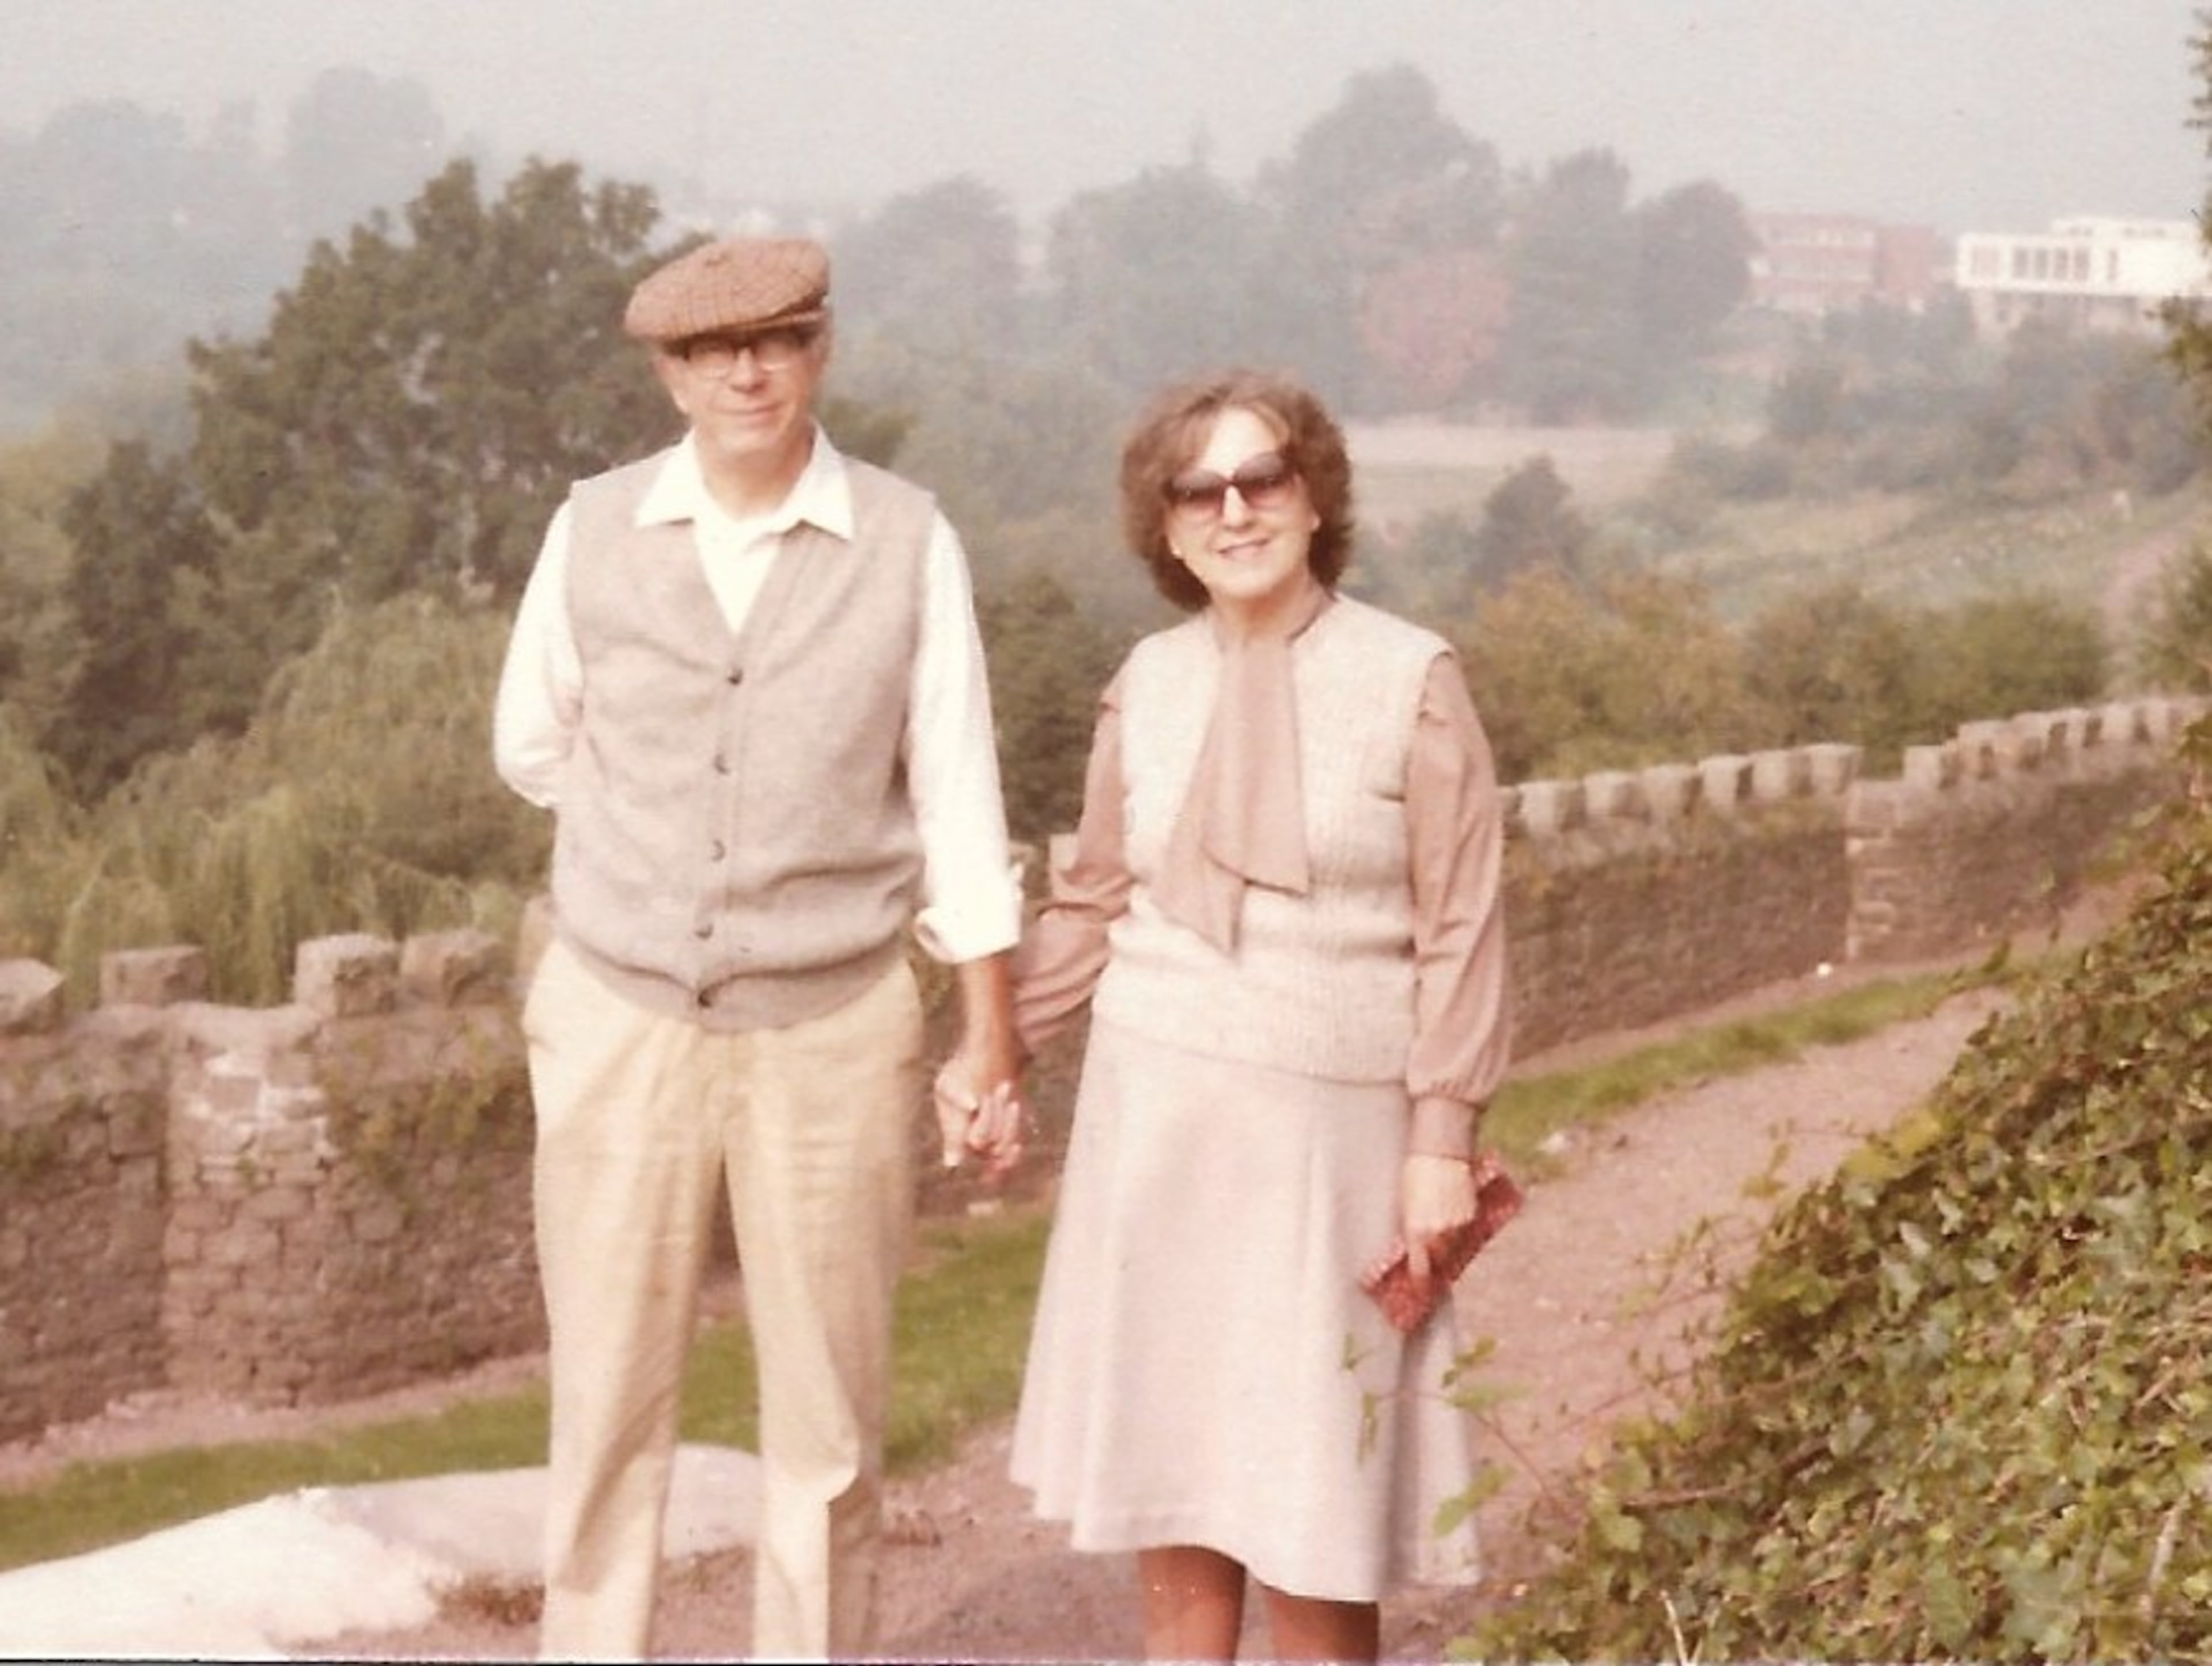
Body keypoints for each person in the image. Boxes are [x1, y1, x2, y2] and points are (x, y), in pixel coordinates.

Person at [492, 234, 1025, 1662]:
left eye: (778, 341)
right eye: (711, 351)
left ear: (820, 351)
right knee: (605, 1403)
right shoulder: (593, 528)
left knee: (830, 1426)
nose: (746, 372)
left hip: (834, 1026)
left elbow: (959, 795)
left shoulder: (908, 539)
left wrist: (989, 1032)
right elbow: (532, 742)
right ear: (670, 376)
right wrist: (654, 855)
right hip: (619, 1019)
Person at [1002, 368, 1513, 1661]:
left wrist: (1442, 1137)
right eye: (1200, 492)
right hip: (1157, 1129)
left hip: (1326, 1153)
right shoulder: (1146, 681)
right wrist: (985, 1047)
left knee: (1312, 1513)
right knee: (1177, 1492)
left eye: (1261, 479)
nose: (1234, 511)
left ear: (1313, 497)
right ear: (1168, 530)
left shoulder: (1411, 677)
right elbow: (1094, 898)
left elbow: (1462, 924)